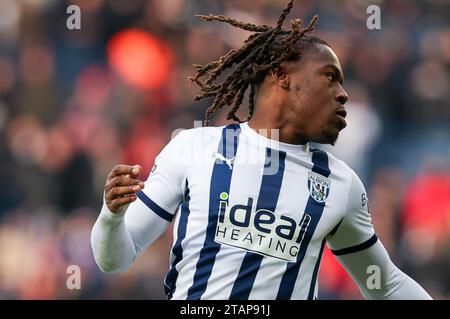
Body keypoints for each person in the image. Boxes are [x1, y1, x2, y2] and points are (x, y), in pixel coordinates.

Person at [91, 0, 431, 300]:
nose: (343, 94)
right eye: (330, 77)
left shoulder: (341, 184)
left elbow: (385, 286)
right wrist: (111, 216)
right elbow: (115, 258)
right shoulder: (195, 148)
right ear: (282, 74)